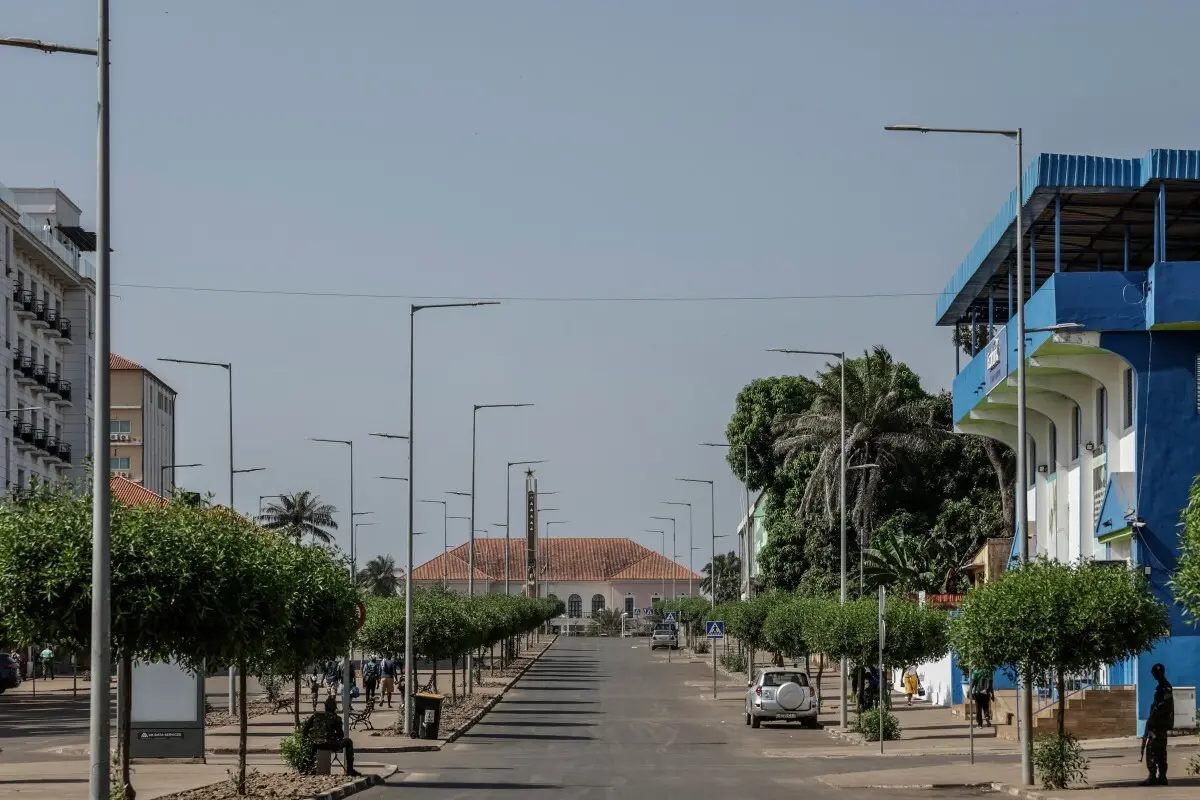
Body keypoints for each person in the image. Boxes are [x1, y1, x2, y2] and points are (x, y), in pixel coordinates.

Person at [301, 696, 358, 777]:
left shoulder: (315, 715)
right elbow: (341, 736)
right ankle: (350, 770)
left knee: (311, 746)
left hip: (315, 745)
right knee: (348, 742)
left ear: (325, 706)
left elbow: (305, 730)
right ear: (334, 707)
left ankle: (309, 769)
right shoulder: (335, 718)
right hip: (329, 744)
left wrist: (311, 738)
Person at [1142, 662, 1174, 786]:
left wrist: (1153, 716)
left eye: (1156, 673)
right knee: (1160, 750)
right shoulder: (1162, 687)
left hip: (1159, 724)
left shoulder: (1165, 687)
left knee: (1152, 749)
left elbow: (1166, 705)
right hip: (1159, 723)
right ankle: (1161, 777)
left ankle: (1154, 776)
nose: (1155, 676)